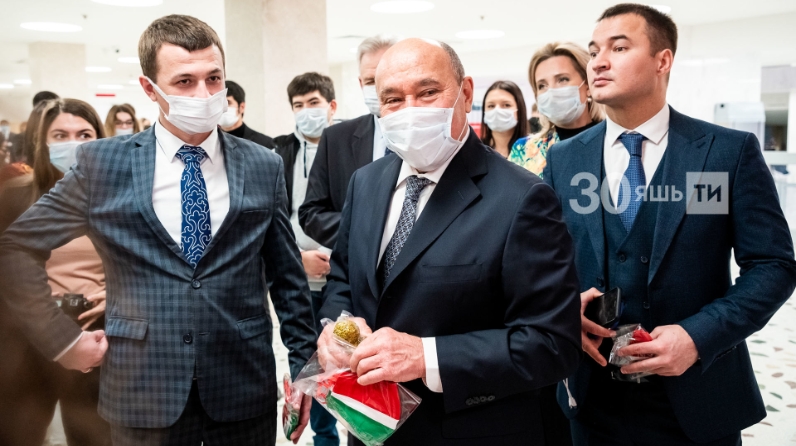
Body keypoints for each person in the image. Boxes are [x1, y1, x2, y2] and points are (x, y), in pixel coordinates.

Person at [0, 14, 316, 445]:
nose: (204, 94)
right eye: (184, 81)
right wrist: (62, 339)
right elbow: (16, 248)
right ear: (150, 88)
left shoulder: (263, 164)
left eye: (214, 78)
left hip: (242, 386)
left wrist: (304, 369)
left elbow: (287, 278)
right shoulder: (102, 164)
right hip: (142, 391)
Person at [542, 4, 796, 445]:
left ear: (663, 60)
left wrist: (697, 337)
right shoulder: (565, 159)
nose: (597, 62)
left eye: (619, 48)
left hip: (696, 396)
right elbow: (543, 262)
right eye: (594, 51)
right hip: (591, 394)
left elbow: (772, 265)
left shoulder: (722, 153)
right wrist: (563, 312)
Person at [316, 37, 582, 445]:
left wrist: (426, 357)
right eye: (393, 99)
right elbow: (343, 280)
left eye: (427, 92)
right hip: (371, 426)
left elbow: (551, 344)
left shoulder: (521, 198)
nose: (410, 111)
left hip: (471, 431)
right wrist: (337, 328)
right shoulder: (365, 183)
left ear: (465, 93)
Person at [0, 98, 111, 446]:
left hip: (96, 331)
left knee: (94, 436)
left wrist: (117, 293)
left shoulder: (116, 198)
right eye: (60, 135)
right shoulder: (15, 195)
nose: (74, 144)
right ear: (43, 142)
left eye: (85, 134)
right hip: (30, 333)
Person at [274, 72, 340, 446]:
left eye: (313, 103)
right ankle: (322, 436)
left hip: (340, 276)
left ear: (331, 106)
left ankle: (346, 430)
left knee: (338, 360)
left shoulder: (347, 147)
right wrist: (297, 258)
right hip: (298, 276)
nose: (306, 112)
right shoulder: (281, 152)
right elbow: (274, 218)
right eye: (298, 105)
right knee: (305, 359)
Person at [299, 34, 398, 249]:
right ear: (361, 83)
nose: (379, 88)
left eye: (386, 77)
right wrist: (365, 230)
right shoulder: (336, 139)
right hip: (353, 263)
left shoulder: (427, 135)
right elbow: (311, 214)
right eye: (370, 81)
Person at [509, 42, 605, 178]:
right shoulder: (525, 150)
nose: (551, 91)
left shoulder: (614, 140)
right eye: (542, 85)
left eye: (562, 79)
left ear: (588, 85)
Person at [220, 79, 276, 149]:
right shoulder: (210, 143)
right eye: (218, 103)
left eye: (228, 102)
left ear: (242, 107)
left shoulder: (265, 144)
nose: (222, 107)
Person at [479, 80, 529, 158]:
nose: (497, 110)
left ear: (520, 109)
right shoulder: (476, 151)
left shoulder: (533, 150)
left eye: (506, 105)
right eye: (491, 106)